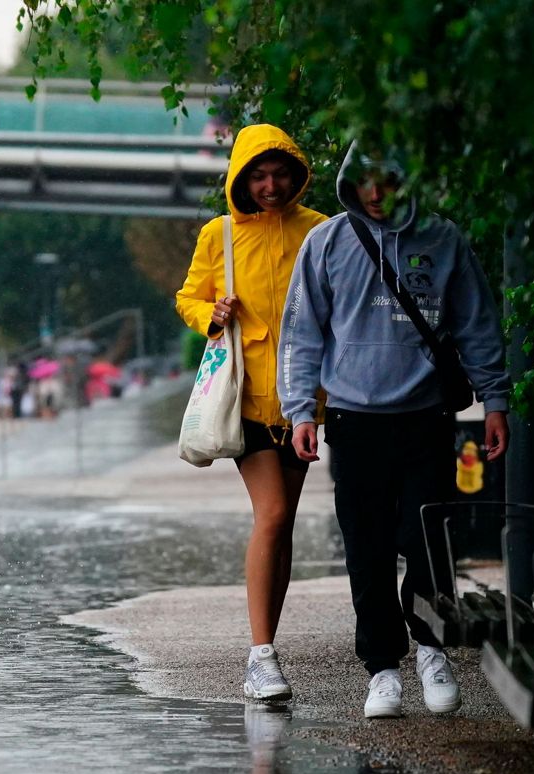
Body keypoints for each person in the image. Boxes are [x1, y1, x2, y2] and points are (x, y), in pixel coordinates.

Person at [278, 144, 510, 718]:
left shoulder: (444, 239)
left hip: (426, 417)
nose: (375, 194)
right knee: (368, 547)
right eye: (363, 183)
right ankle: (382, 668)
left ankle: (432, 650)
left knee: (427, 539)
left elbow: (476, 323)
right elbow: (302, 332)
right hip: (354, 423)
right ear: (350, 185)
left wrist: (497, 399)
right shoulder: (327, 243)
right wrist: (301, 410)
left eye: (386, 182)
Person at [175, 124, 328, 703]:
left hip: (304, 402)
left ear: (295, 172)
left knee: (282, 519)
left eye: (279, 173)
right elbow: (189, 296)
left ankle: (267, 647)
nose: (270, 185)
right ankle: (260, 656)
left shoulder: (321, 231)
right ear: (240, 178)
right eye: (257, 176)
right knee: (272, 514)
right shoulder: (219, 234)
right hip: (246, 398)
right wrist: (211, 314)